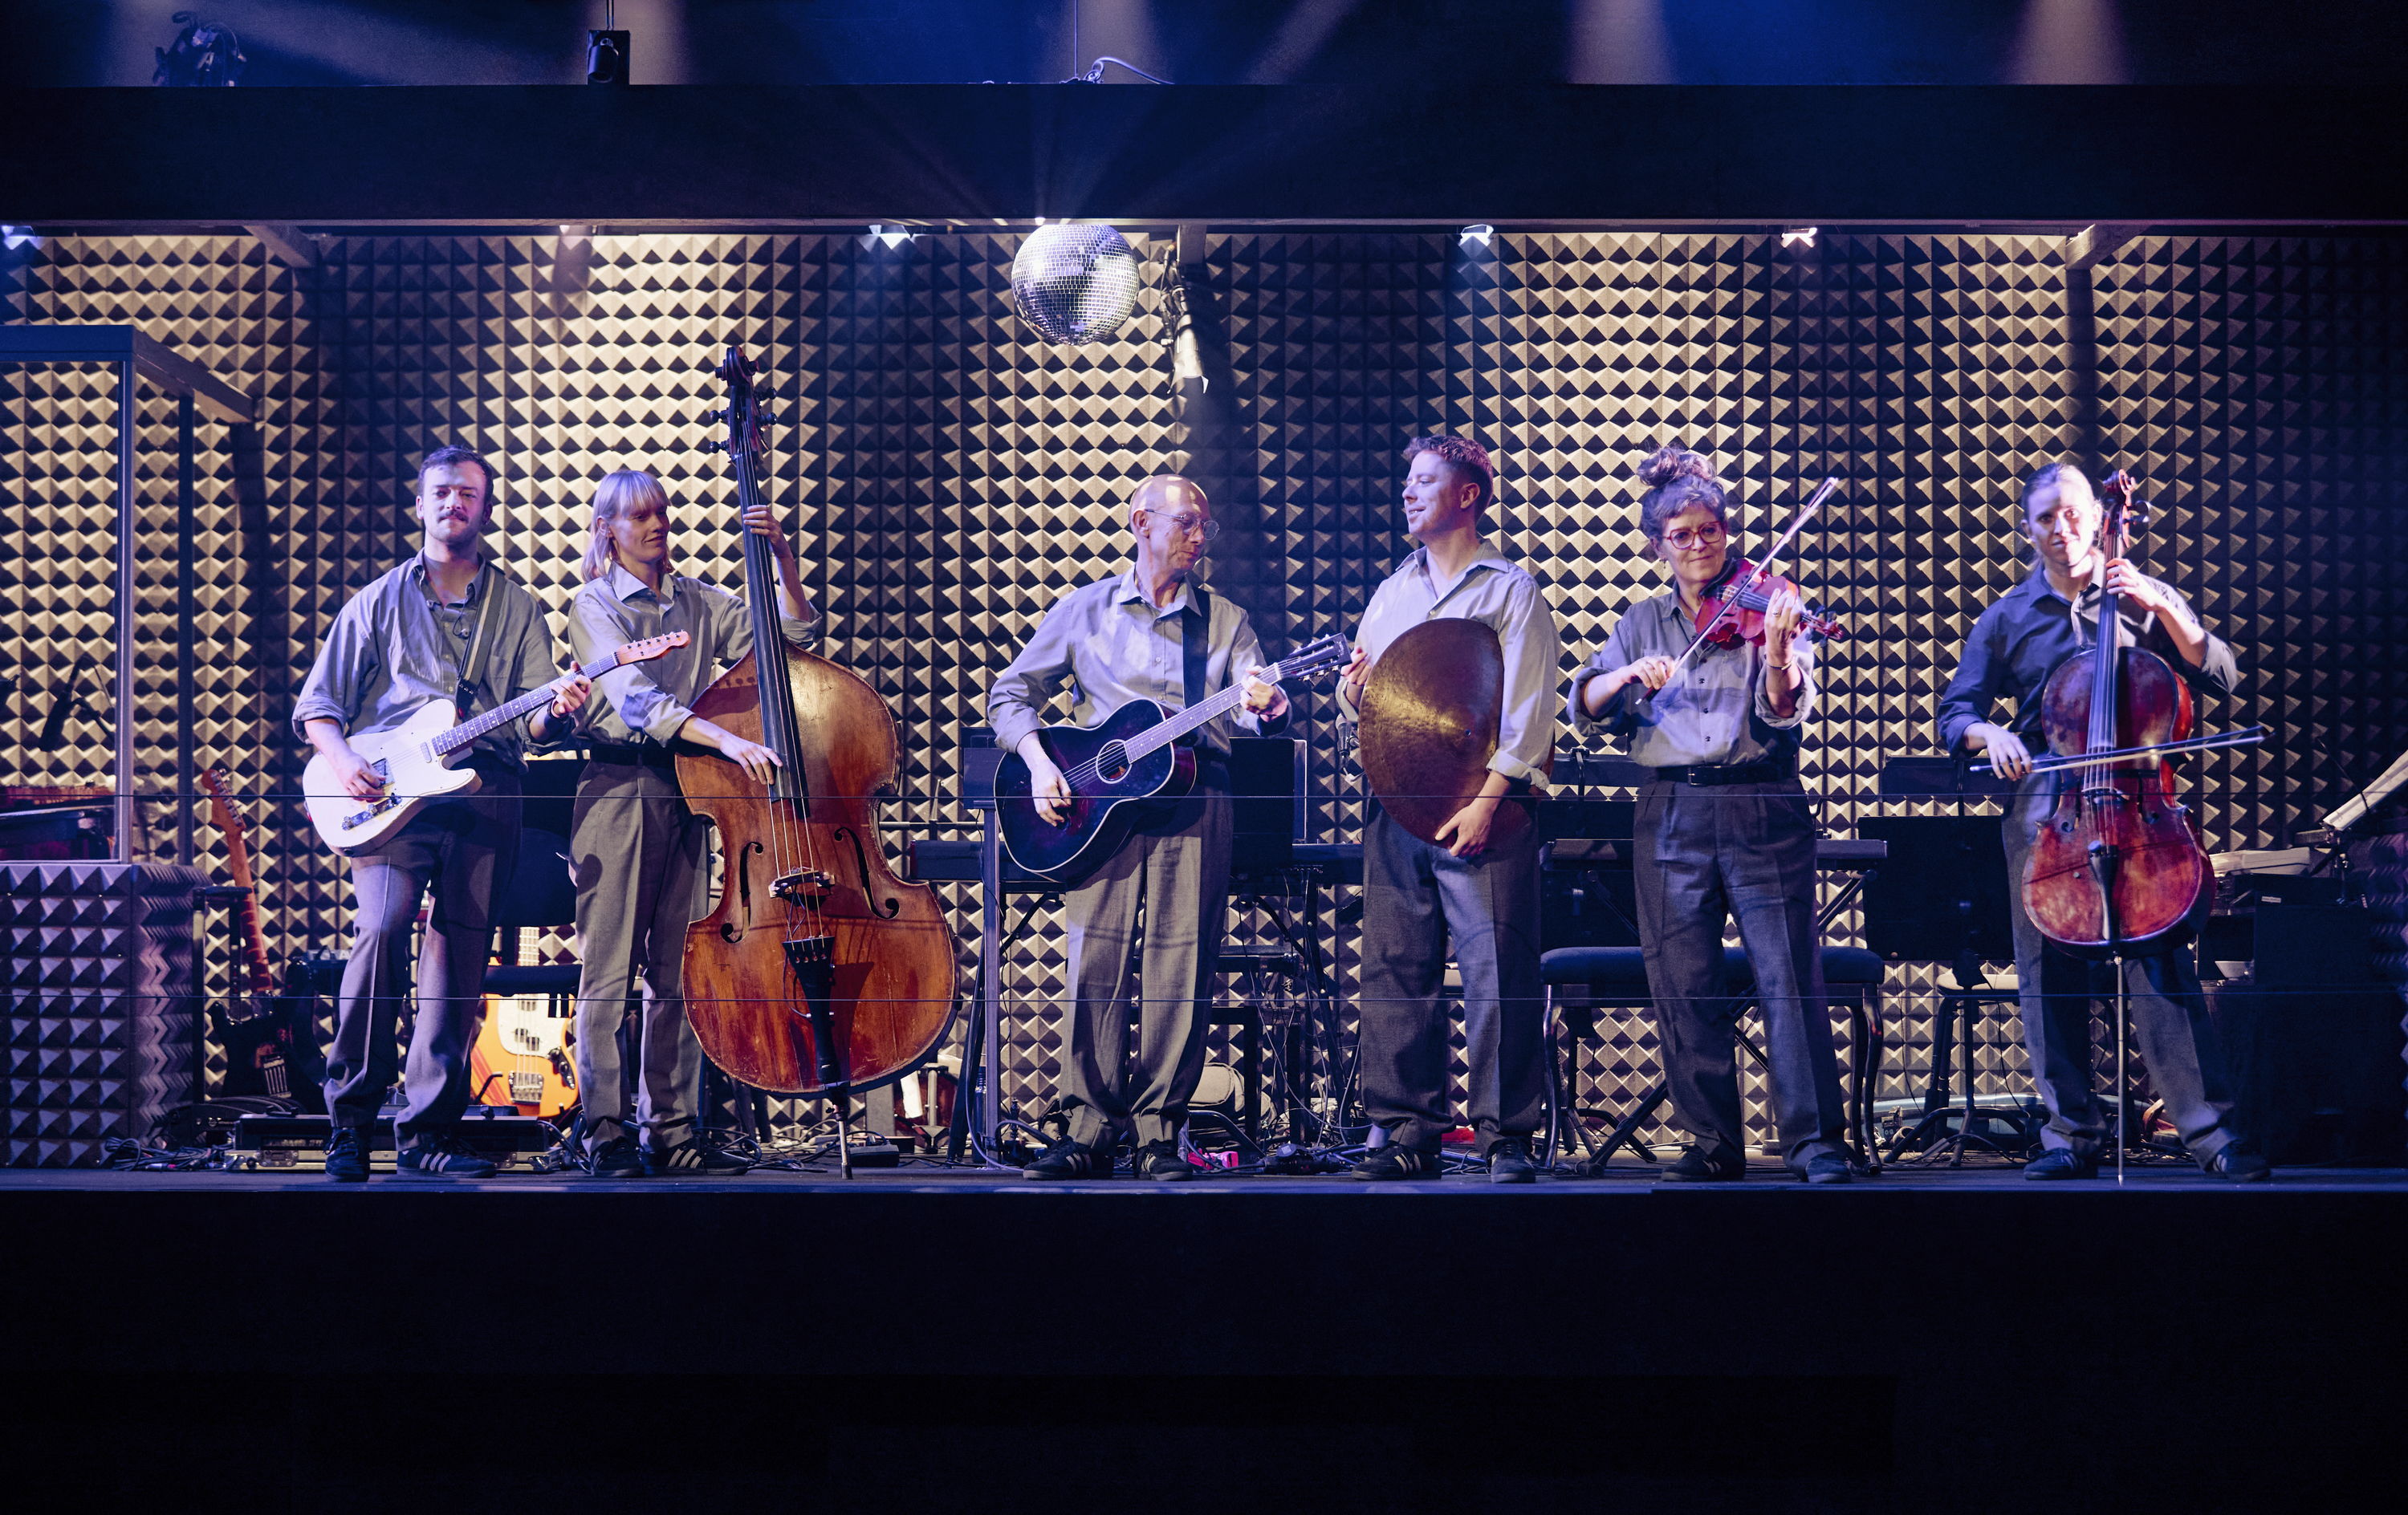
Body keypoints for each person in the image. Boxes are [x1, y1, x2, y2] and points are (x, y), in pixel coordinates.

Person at [1938, 461, 2266, 1181]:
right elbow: (1954, 711)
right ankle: (2069, 1135)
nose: (2063, 530)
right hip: (2046, 813)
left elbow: (2222, 674)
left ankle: (2208, 1133)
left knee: (2162, 961)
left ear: (2097, 514)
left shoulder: (2142, 597)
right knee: (2046, 972)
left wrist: (2164, 606)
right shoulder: (2006, 618)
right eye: (2046, 519)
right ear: (2028, 530)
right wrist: (1987, 735)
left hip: (2139, 809)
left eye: (2074, 513)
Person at [295, 445, 593, 1182]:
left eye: (467, 493)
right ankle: (351, 1121)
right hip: (390, 798)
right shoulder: (375, 603)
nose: (453, 502)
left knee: (458, 958)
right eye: (441, 492)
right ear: (419, 504)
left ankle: (426, 1133)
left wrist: (556, 716)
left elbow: (531, 724)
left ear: (484, 509)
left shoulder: (516, 605)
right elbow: (318, 709)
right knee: (383, 930)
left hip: (486, 790)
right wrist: (344, 764)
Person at [987, 475, 1291, 1181]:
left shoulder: (1226, 620)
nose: (1198, 538)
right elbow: (1011, 695)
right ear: (1141, 523)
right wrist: (1038, 763)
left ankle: (1159, 1132)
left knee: (1180, 970)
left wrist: (1269, 705)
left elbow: (1253, 708)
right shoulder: (1084, 610)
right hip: (1099, 809)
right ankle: (1087, 1129)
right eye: (1187, 523)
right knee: (1095, 965)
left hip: (1197, 800)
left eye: (1205, 529)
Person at [1568, 445, 1851, 1184]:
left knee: (1788, 977)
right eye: (1683, 535)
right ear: (1658, 543)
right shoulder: (1640, 622)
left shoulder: (1767, 603)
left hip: (1761, 800)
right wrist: (1627, 675)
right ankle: (1712, 1144)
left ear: (1728, 532)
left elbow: (1785, 714)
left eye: (1712, 531)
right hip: (1669, 809)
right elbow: (1589, 702)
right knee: (1682, 981)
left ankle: (1816, 1143)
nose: (1701, 545)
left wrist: (1785, 651)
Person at [565, 468, 817, 1179]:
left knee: (673, 973)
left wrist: (784, 562)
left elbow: (786, 640)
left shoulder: (697, 600)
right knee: (609, 972)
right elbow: (637, 701)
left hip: (685, 790)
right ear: (607, 529)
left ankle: (668, 1129)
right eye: (639, 517)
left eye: (662, 515)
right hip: (619, 785)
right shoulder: (594, 605)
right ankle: (603, 1129)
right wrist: (729, 739)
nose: (656, 528)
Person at [1336, 436, 1561, 1184]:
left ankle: (1507, 1137)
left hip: (1486, 810)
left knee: (1497, 972)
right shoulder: (1391, 591)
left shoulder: (1511, 591)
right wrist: (1353, 689)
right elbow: (1368, 702)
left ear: (1467, 494)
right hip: (1398, 806)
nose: (1407, 492)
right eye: (1407, 480)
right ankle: (1407, 1130)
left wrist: (1488, 802)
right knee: (1397, 970)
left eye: (1424, 480)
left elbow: (1529, 715)